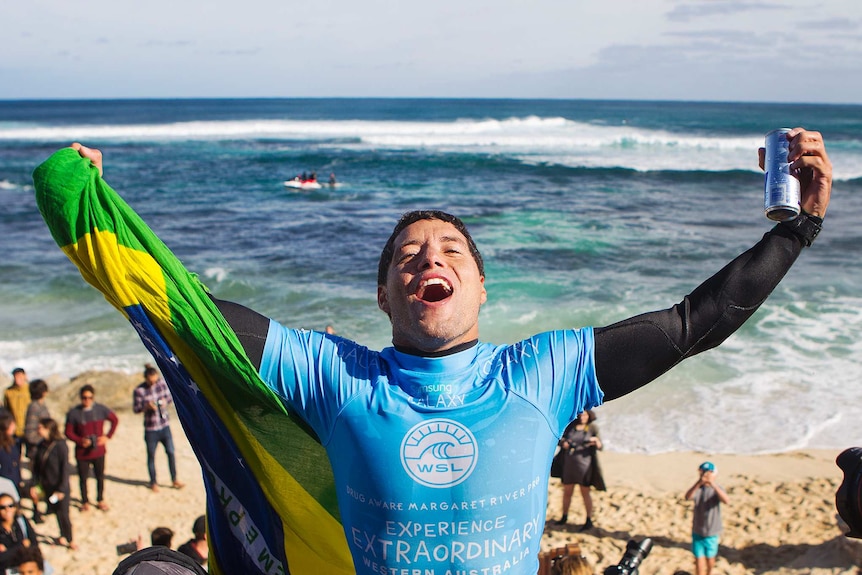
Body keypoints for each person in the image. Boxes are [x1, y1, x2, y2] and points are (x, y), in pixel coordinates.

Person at [62, 130, 831, 575]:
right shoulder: (335, 377)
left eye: (451, 248)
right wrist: (100, 205)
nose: (431, 258)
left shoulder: (542, 371)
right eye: (408, 254)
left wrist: (795, 231)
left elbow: (692, 323)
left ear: (482, 287)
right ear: (385, 297)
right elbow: (186, 311)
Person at [64, 384, 118, 511]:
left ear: (93, 397)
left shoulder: (100, 409)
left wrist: (107, 436)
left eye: (89, 397)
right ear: (80, 398)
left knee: (100, 477)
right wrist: (80, 441)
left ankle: (100, 499)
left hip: (99, 451)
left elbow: (115, 420)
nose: (87, 400)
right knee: (83, 478)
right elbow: (68, 432)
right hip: (82, 453)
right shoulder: (74, 413)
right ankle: (85, 501)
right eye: (84, 398)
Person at [132, 366, 184, 492]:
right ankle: (153, 482)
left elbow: (170, 397)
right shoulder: (139, 390)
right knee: (151, 456)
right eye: (150, 381)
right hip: (151, 429)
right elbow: (136, 409)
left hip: (164, 425)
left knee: (171, 452)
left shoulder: (161, 384)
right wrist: (146, 407)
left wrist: (165, 402)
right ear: (145, 379)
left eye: (154, 380)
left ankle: (174, 479)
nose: (153, 383)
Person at [554, 409, 605, 531]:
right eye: (580, 415)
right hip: (568, 465)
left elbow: (600, 447)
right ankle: (564, 517)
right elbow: (558, 439)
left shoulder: (592, 428)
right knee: (567, 492)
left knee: (585, 493)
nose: (582, 417)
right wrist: (564, 443)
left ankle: (588, 520)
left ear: (589, 416)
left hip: (585, 466)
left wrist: (596, 442)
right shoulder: (570, 427)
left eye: (585, 415)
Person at [29, 418, 75, 550]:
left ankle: (70, 539)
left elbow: (65, 469)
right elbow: (36, 469)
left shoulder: (61, 446)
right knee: (56, 512)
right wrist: (33, 485)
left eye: (40, 428)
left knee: (64, 514)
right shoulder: (40, 446)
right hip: (47, 486)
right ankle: (62, 535)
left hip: (60, 487)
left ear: (48, 429)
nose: (38, 430)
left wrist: (61, 489)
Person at [684, 461, 729, 575]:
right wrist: (699, 483)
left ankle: (709, 572)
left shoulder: (716, 489)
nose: (705, 475)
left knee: (710, 557)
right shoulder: (698, 489)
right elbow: (688, 496)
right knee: (699, 558)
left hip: (712, 532)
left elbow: (726, 500)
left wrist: (712, 483)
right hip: (698, 530)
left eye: (709, 473)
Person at [0, 493, 37, 572]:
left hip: (27, 566)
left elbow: (34, 543)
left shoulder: (21, 521)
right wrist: (22, 546)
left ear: (15, 507)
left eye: (10, 506)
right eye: (2, 507)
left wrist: (8, 551)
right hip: (7, 569)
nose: (7, 510)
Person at [4, 369, 30, 452]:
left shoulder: (30, 389)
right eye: (15, 376)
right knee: (14, 453)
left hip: (29, 428)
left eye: (19, 376)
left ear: (25, 376)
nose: (17, 378)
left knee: (31, 454)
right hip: (15, 429)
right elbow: (6, 410)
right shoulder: (8, 392)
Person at [23, 380, 50, 459]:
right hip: (37, 451)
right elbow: (30, 434)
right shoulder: (34, 407)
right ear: (44, 392)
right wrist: (45, 438)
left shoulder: (41, 405)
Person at [0, 415, 21, 498]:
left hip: (15, 478)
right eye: (12, 425)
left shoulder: (15, 441)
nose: (14, 427)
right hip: (4, 478)